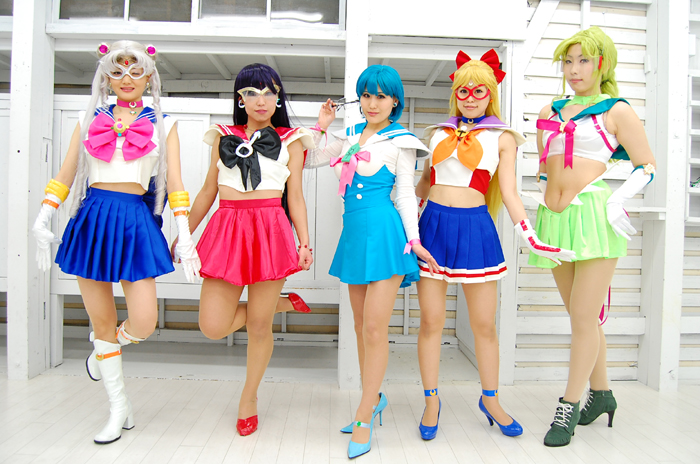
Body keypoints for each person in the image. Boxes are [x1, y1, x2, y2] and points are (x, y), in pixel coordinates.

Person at [31, 41, 200, 444]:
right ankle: (118, 406)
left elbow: (176, 183)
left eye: (136, 71)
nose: (127, 78)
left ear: (149, 76)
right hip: (92, 219)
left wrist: (186, 235)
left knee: (144, 320)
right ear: (106, 76)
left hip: (135, 222)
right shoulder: (88, 117)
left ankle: (102, 350)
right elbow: (67, 173)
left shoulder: (165, 123)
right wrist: (42, 217)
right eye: (118, 71)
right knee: (101, 322)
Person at [415, 49, 576, 441]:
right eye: (464, 90)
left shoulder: (503, 137)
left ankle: (491, 400)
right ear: (455, 93)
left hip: (475, 229)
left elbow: (509, 193)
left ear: (491, 94)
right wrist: (401, 224)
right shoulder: (437, 133)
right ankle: (431, 401)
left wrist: (531, 236)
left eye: (479, 91)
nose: (470, 98)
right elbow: (422, 186)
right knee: (431, 321)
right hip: (432, 227)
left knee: (484, 324)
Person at [306, 64, 438, 459]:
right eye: (366, 95)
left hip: (385, 236)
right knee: (361, 327)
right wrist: (322, 124)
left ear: (394, 100)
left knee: (375, 329)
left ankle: (364, 415)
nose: (372, 103)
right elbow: (309, 159)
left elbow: (405, 194)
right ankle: (374, 398)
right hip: (354, 236)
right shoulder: (348, 135)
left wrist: (414, 240)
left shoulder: (403, 141)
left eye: (380, 96)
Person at [532, 27, 656, 446]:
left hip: (595, 217)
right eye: (568, 61)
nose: (574, 69)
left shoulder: (616, 110)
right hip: (555, 220)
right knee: (579, 315)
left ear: (603, 63)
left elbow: (647, 164)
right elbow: (545, 166)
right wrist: (539, 199)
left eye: (584, 60)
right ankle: (602, 393)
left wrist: (619, 199)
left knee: (584, 317)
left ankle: (568, 405)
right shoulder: (551, 110)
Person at [186, 63, 314, 437]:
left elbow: (296, 197)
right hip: (227, 229)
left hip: (270, 230)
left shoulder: (292, 140)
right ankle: (282, 303)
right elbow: (207, 191)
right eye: (251, 92)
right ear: (240, 99)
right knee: (212, 326)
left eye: (269, 92)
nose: (261, 100)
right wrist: (183, 234)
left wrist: (304, 242)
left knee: (259, 326)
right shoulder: (222, 135)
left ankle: (249, 398)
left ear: (278, 99)